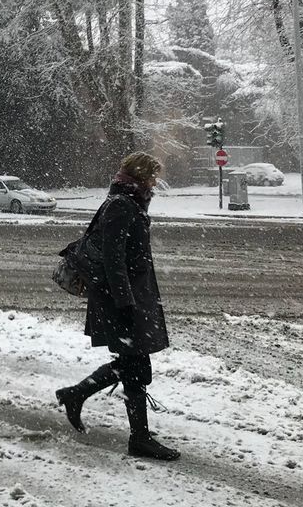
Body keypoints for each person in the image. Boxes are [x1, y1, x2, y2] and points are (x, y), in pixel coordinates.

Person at [55, 151, 180, 461]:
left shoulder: (128, 202)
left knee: (133, 365)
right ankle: (137, 437)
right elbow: (113, 259)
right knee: (135, 366)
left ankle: (77, 395)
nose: (155, 182)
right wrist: (126, 302)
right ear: (140, 177)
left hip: (130, 297)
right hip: (121, 301)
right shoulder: (121, 206)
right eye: (152, 176)